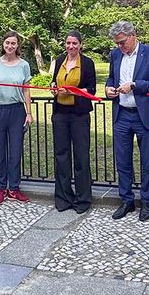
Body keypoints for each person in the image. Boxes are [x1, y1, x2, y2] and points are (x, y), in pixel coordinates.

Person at [105, 21, 149, 222]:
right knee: (122, 160)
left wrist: (134, 85)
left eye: (122, 42)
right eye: (117, 44)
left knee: (147, 161)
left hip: (143, 115)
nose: (119, 47)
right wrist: (108, 89)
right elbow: (111, 79)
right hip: (121, 113)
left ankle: (146, 201)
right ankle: (126, 201)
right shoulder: (115, 55)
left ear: (132, 36)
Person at [0, 31, 33, 205]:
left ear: (18, 45)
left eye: (13, 43)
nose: (10, 46)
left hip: (17, 111)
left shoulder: (24, 65)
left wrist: (29, 112)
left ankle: (14, 188)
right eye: (7, 43)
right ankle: (1, 188)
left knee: (15, 151)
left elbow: (26, 89)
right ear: (3, 44)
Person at [50, 31, 97, 214]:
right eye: (68, 43)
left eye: (74, 43)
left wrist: (73, 91)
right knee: (61, 155)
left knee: (81, 156)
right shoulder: (60, 60)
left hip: (79, 115)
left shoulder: (87, 63)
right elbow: (54, 81)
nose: (71, 46)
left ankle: (83, 199)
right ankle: (63, 198)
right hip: (60, 114)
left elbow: (91, 90)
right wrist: (54, 88)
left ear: (80, 45)